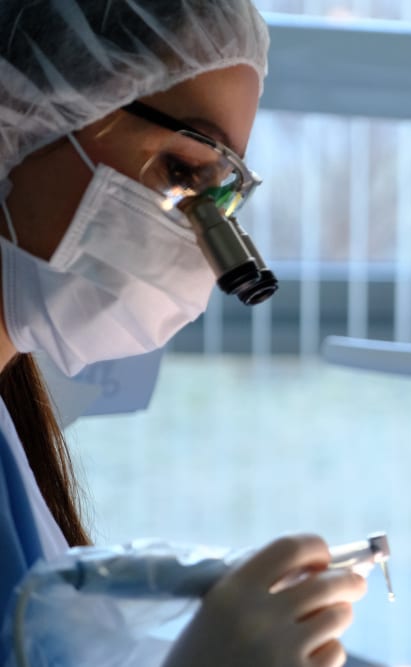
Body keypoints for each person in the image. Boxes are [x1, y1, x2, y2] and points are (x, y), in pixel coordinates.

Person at [0, 3, 365, 666]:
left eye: (222, 194)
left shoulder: (10, 432)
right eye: (182, 171)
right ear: (16, 113)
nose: (201, 246)